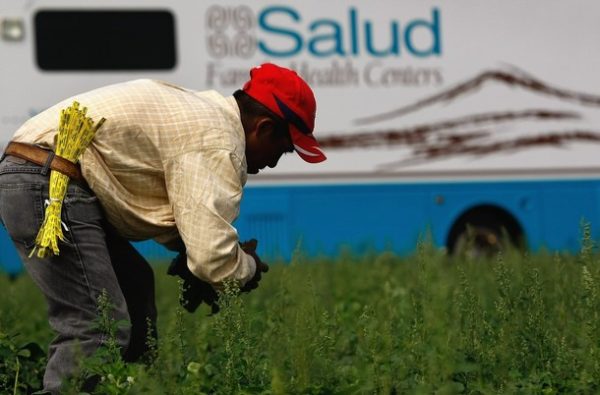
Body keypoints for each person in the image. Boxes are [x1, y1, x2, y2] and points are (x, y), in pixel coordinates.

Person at [0, 63, 326, 394]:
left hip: (39, 174)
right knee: (98, 326)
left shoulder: (206, 116)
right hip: (48, 183)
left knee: (135, 288)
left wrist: (191, 252)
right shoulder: (218, 140)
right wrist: (248, 269)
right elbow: (213, 259)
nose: (271, 163)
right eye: (281, 151)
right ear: (264, 128)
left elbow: (189, 225)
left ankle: (132, 387)